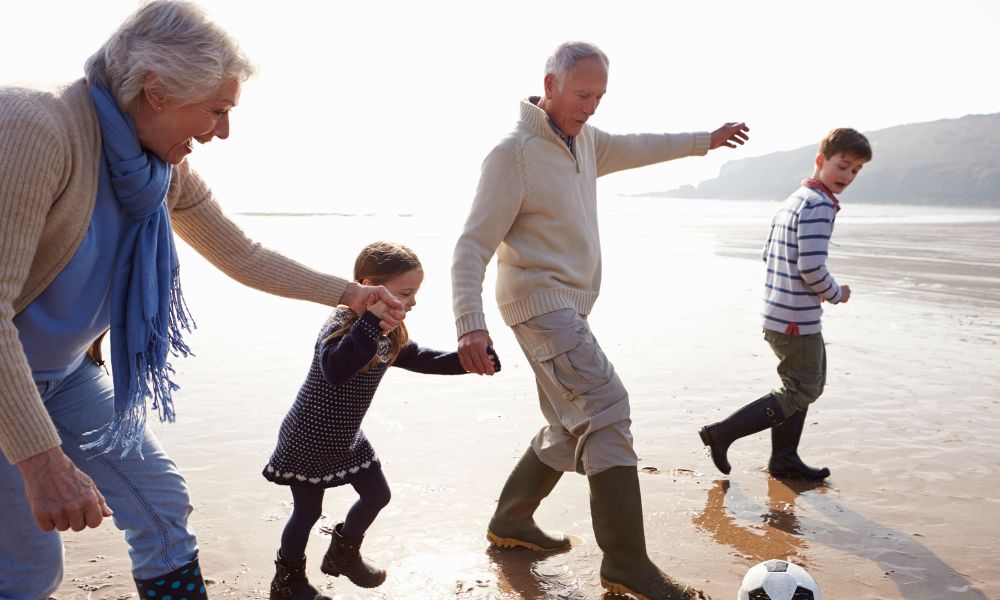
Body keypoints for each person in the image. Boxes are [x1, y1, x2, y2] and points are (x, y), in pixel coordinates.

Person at [0, 2, 404, 598]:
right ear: (156, 90)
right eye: (217, 110)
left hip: (64, 375)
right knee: (30, 571)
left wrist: (352, 294)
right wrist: (40, 459)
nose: (222, 131)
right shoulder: (36, 127)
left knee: (163, 511)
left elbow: (241, 255)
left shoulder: (157, 167)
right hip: (9, 385)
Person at [451, 40, 749, 600]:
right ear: (551, 83)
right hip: (540, 306)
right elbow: (471, 246)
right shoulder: (513, 154)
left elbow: (640, 146)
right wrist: (469, 323)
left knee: (572, 422)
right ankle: (627, 564)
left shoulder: (585, 142)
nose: (591, 106)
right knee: (607, 409)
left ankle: (511, 521)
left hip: (566, 308)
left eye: (600, 96)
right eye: (583, 93)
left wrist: (703, 142)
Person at [263, 241, 501, 598]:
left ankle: (343, 555)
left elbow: (419, 357)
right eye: (406, 292)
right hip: (309, 435)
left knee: (377, 494)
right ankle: (288, 582)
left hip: (346, 436)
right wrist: (371, 320)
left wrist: (464, 362)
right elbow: (335, 369)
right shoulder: (343, 321)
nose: (413, 302)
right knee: (307, 513)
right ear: (370, 285)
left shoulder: (390, 331)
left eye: (415, 293)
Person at [698, 128, 872, 481]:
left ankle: (784, 459)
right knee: (803, 387)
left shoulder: (796, 198)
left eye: (855, 170)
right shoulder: (820, 205)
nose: (847, 176)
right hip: (796, 319)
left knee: (805, 383)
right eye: (842, 165)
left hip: (778, 312)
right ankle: (722, 433)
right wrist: (836, 292)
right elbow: (810, 267)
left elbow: (768, 253)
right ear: (821, 161)